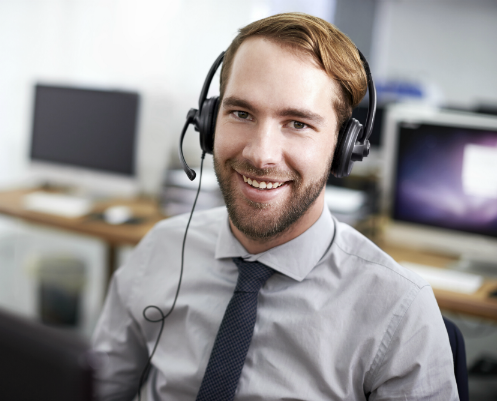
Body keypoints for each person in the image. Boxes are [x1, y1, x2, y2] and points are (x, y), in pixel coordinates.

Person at [92, 12, 459, 400]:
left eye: (298, 123)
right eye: (241, 113)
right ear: (209, 122)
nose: (260, 155)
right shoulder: (161, 249)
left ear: (343, 147)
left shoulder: (400, 312)